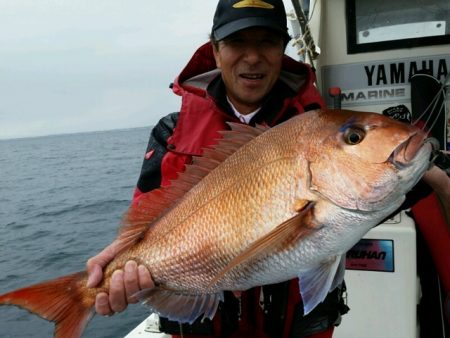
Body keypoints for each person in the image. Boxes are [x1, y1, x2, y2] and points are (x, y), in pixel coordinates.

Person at [86, 0, 450, 337]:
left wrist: (434, 176)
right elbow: (144, 216)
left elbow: (382, 194)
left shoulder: (313, 124)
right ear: (215, 50)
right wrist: (122, 260)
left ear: (283, 49)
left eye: (268, 41)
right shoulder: (171, 134)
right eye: (237, 42)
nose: (253, 57)